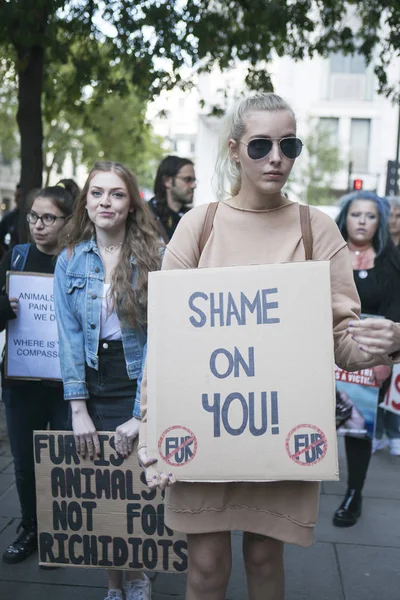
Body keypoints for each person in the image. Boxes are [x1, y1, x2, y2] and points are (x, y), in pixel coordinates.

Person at [137, 93, 400, 600]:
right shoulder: (199, 225)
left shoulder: (317, 229)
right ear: (235, 150)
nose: (276, 157)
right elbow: (166, 340)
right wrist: (153, 426)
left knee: (264, 556)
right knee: (206, 568)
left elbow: (340, 343)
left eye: (289, 144)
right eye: (260, 145)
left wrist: (389, 344)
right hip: (203, 425)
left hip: (278, 428)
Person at [54, 161, 162, 600]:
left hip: (137, 377)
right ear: (86, 201)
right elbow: (68, 336)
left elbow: (162, 336)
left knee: (131, 490)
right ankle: (114, 585)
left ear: (131, 203)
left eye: (116, 194)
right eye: (97, 193)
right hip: (90, 382)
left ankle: (136, 577)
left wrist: (142, 413)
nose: (105, 202)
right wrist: (77, 409)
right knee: (97, 490)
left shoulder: (155, 254)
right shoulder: (69, 259)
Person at [0, 183, 75, 563]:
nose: (38, 225)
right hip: (22, 379)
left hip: (66, 382)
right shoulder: (17, 256)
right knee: (25, 461)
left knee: (64, 458)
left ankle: (62, 528)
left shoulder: (79, 261)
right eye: (34, 216)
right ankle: (31, 526)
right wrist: (5, 307)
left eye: (49, 218)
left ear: (67, 222)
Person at [333, 191, 400, 528]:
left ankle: (353, 494)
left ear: (380, 221)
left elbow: (395, 309)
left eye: (370, 215)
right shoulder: (326, 256)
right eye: (355, 214)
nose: (361, 221)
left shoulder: (392, 260)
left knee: (358, 428)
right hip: (325, 352)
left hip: (369, 357)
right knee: (316, 421)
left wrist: (385, 359)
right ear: (344, 217)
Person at [148, 155, 196, 242]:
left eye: (194, 180)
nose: (194, 185)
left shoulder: (192, 218)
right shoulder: (145, 216)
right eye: (187, 179)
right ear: (167, 181)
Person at [0, 183, 21, 257]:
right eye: (15, 196)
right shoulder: (10, 217)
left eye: (18, 196)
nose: (15, 200)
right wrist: (6, 253)